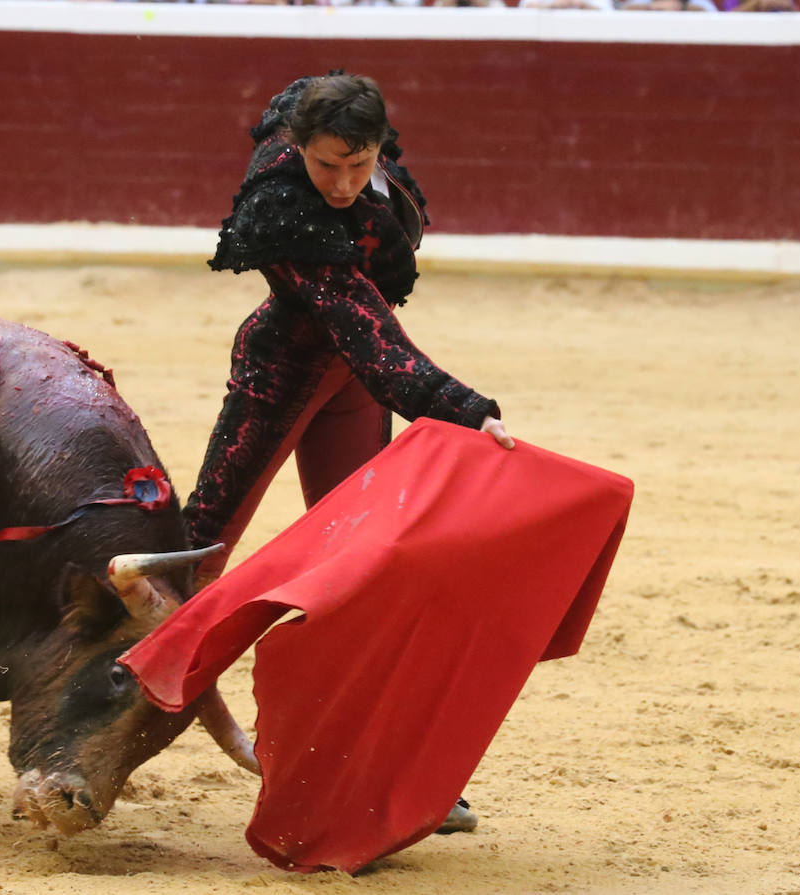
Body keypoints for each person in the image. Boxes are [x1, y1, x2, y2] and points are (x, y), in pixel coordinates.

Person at [183, 72, 513, 836]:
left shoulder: (349, 134)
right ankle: (94, 717)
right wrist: (469, 412)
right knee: (193, 556)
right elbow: (370, 336)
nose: (342, 183)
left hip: (351, 385)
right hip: (283, 377)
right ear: (298, 147)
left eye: (358, 166)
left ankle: (394, 768)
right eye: (327, 165)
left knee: (372, 570)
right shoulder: (281, 202)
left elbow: (370, 342)